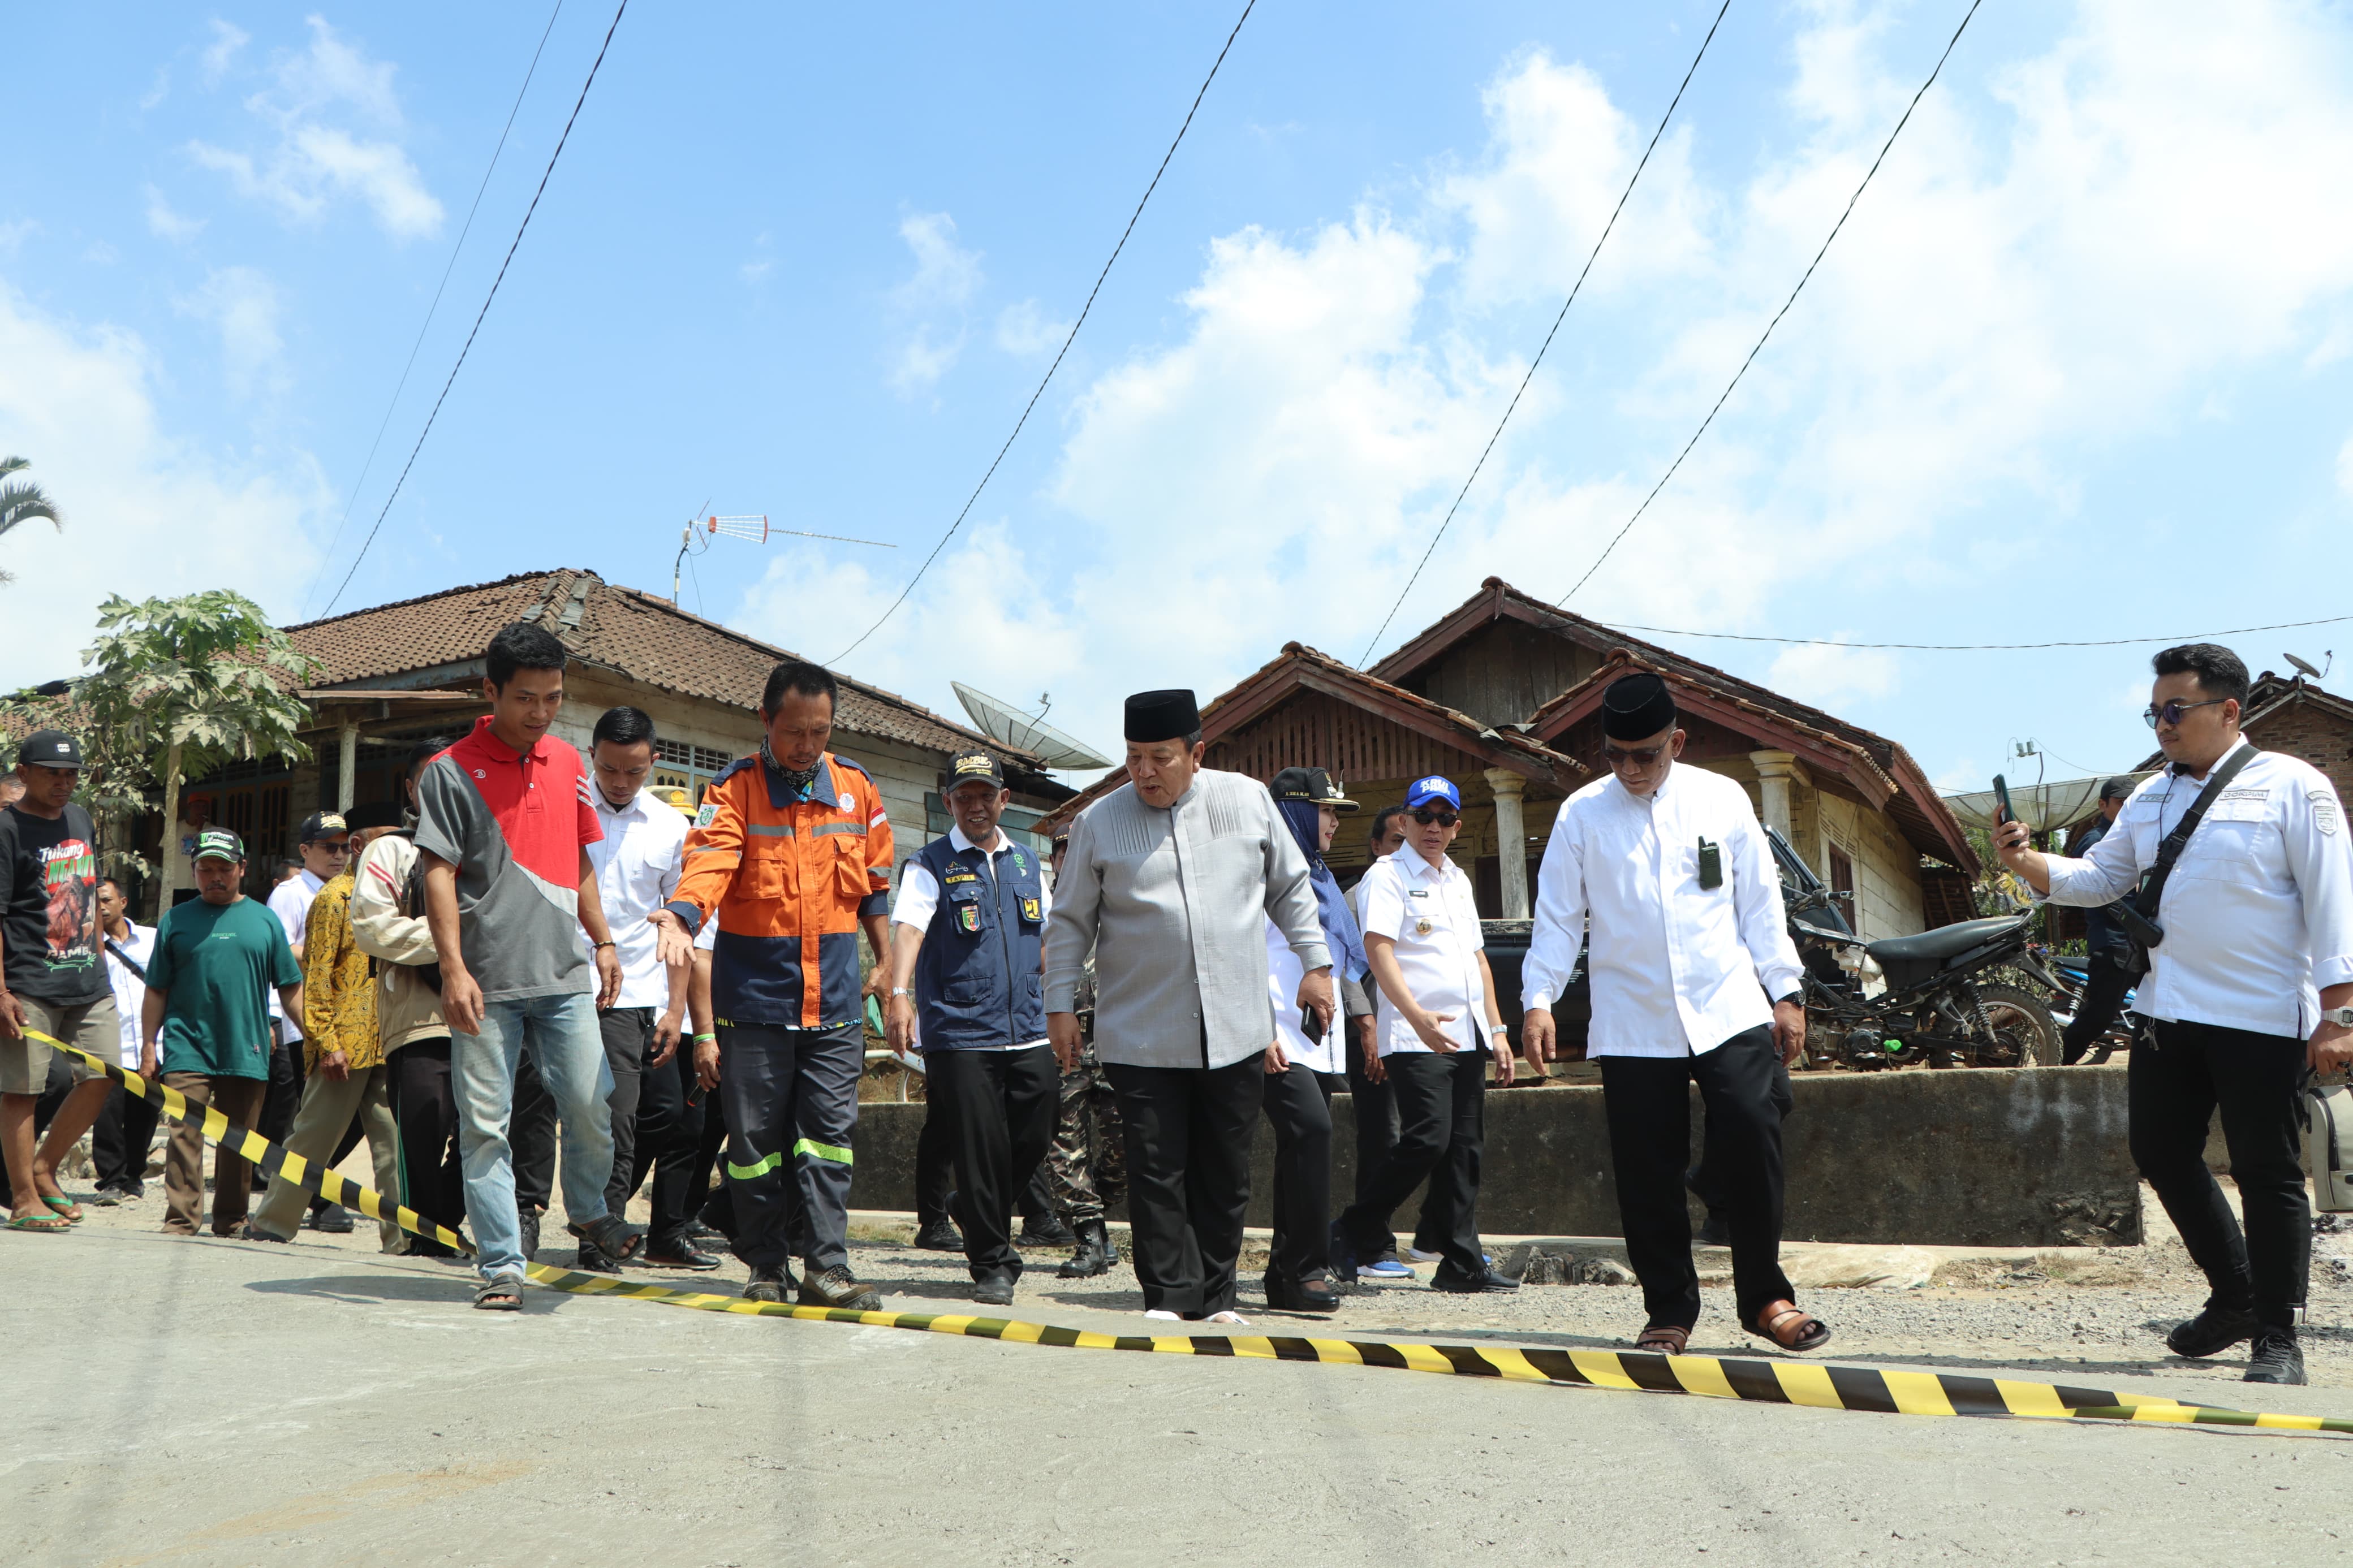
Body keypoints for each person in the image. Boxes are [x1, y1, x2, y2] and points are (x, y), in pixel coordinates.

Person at [1998, 643, 2353, 1386]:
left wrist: (2339, 1010)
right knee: (2160, 1151)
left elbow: (2332, 904)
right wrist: (2027, 862)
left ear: (2228, 711)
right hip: (2169, 1010)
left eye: (2175, 710)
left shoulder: (2295, 786)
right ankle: (2236, 1297)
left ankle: (2278, 1337)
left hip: (2263, 1015)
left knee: (2267, 1171)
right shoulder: (2154, 796)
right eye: (2154, 711)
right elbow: (2098, 879)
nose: (2161, 724)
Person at [1522, 671, 1820, 1355]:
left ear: (1676, 742)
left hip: (1726, 1002)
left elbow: (1757, 904)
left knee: (1752, 1131)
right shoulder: (1581, 815)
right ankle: (1668, 1310)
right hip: (1633, 1016)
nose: (1629, 768)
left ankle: (1765, 1299)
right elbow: (1559, 919)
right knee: (1647, 1167)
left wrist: (1785, 989)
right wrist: (1538, 998)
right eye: (1615, 755)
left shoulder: (1721, 798)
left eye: (1645, 754)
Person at [1044, 689, 1334, 1324]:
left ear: (1196, 753)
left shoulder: (1247, 800)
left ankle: (1216, 1295)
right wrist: (1059, 1005)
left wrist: (1316, 966)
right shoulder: (1099, 821)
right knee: (1156, 1167)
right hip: (1140, 1031)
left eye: (1160, 757)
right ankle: (1172, 1297)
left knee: (1224, 1170)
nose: (1144, 772)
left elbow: (1289, 889)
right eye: (1132, 758)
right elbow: (1068, 923)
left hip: (1233, 1026)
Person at [650, 660, 893, 1310]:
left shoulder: (856, 790)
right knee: (755, 1147)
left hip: (837, 1005)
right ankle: (763, 1263)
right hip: (755, 1006)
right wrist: (681, 913)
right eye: (794, 732)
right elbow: (709, 860)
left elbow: (874, 888)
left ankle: (827, 1267)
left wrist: (889, 964)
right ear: (766, 721)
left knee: (827, 1142)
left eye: (819, 732)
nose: (807, 746)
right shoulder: (733, 792)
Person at [415, 623, 637, 1311]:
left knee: (590, 1100)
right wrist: (452, 969)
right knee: (486, 1127)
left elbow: (577, 862)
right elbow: (438, 874)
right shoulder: (450, 771)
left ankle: (590, 1206)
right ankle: (502, 1266)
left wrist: (601, 940)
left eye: (553, 698)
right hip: (487, 983)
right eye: (526, 699)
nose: (541, 713)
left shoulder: (571, 762)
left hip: (565, 975)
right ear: (491, 691)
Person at [512, 707, 708, 1271]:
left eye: (635, 771)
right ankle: (537, 1216)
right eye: (610, 769)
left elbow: (681, 927)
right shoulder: (560, 808)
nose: (621, 782)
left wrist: (676, 1007)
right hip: (558, 979)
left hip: (635, 991)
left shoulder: (672, 828)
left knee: (628, 1113)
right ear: (592, 755)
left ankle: (599, 1225)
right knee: (541, 1107)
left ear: (653, 762)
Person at [1329, 776, 1519, 1295]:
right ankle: (1353, 1226)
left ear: (1457, 827)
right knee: (1428, 1139)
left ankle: (1460, 1260)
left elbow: (1478, 960)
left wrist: (1498, 1030)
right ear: (1406, 821)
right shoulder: (1386, 875)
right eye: (1424, 817)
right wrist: (1414, 1016)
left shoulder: (1457, 878)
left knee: (1465, 1148)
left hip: (1466, 1035)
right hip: (1414, 1035)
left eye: (1445, 819)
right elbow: (1377, 950)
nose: (1433, 827)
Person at [884, 751, 1057, 1306]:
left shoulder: (1029, 862)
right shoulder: (929, 864)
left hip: (1029, 1026)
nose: (975, 805)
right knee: (980, 1146)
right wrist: (899, 994)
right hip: (960, 1031)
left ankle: (973, 1206)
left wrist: (1062, 1005)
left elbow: (1051, 940)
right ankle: (992, 1263)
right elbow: (908, 930)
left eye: (985, 795)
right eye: (964, 797)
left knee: (1038, 1124)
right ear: (949, 802)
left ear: (1004, 799)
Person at [247, 804, 408, 1249]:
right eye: (385, 840)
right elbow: (314, 978)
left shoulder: (396, 897)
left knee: (394, 1147)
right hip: (343, 1044)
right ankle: (272, 1221)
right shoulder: (335, 898)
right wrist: (326, 1041)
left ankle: (402, 1238)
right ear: (360, 846)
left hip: (387, 1038)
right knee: (312, 1138)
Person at [139, 828, 305, 1237]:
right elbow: (156, 988)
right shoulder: (175, 919)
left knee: (239, 1139)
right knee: (184, 1133)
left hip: (246, 1046)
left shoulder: (264, 919)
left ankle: (231, 1217)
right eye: (205, 868)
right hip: (186, 1045)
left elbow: (290, 986)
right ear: (194, 871)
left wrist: (314, 1036)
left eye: (224, 868)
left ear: (242, 869)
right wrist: (148, 1045)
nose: (215, 876)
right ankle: (181, 1218)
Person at [0, 731, 121, 1233]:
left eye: (71, 773)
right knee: (22, 1091)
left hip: (87, 978)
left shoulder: (80, 818)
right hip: (29, 979)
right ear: (23, 773)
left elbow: (89, 893)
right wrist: (2, 991)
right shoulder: (6, 829)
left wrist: (100, 961)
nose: (64, 782)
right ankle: (25, 1197)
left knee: (106, 1073)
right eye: (52, 772)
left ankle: (45, 1168)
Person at [351, 738, 467, 1259]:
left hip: (492, 1012)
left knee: (488, 1126)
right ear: (410, 788)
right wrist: (454, 941)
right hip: (418, 1014)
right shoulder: (392, 849)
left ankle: (444, 1223)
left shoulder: (486, 845)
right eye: (430, 777)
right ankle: (426, 1234)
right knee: (422, 1125)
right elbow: (373, 928)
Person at [1260, 768, 1369, 1314]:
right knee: (1311, 1132)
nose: (1333, 822)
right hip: (1272, 1036)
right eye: (1326, 811)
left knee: (1298, 1152)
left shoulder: (1320, 875)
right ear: (1296, 813)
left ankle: (1285, 1276)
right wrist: (1258, 1029)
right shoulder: (1263, 875)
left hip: (1317, 1043)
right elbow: (1240, 956)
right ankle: (1306, 1268)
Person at [260, 810, 358, 1234]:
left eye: (345, 846)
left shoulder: (355, 889)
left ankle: (313, 1190)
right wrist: (332, 946)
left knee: (347, 1115)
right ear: (305, 851)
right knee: (315, 1114)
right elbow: (280, 953)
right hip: (305, 1018)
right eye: (329, 847)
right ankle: (315, 1197)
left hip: (350, 1017)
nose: (339, 855)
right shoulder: (292, 892)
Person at [1342, 805, 1421, 1283]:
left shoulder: (1426, 891)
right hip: (1375, 1036)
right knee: (1382, 1135)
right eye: (1395, 840)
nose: (1403, 848)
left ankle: (1450, 1241)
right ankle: (1373, 1244)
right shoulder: (1358, 897)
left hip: (1420, 1033)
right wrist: (1368, 1029)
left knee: (1439, 1135)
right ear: (1376, 846)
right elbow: (1348, 970)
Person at [1045, 826, 1124, 1279]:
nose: (1069, 858)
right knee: (1064, 1144)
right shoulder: (1039, 899)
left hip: (1114, 1038)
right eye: (1062, 851)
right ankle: (1090, 1235)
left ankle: (1093, 1211)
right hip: (1062, 1042)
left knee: (1127, 1146)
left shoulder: (1117, 897)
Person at [2059, 776, 2141, 1065]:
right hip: (2114, 943)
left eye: (2132, 802)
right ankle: (2057, 1067)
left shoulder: (2132, 837)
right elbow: (2099, 893)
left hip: (2138, 942)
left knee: (2156, 1008)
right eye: (2120, 803)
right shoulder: (2096, 841)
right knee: (2100, 1014)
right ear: (2102, 805)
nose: (2128, 808)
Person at [89, 876, 160, 1204]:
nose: (101, 906)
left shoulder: (153, 940)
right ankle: (111, 1179)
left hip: (150, 1044)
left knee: (144, 1114)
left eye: (106, 900)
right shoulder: (88, 945)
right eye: (95, 901)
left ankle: (134, 1175)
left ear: (123, 902)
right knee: (106, 1113)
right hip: (108, 1045)